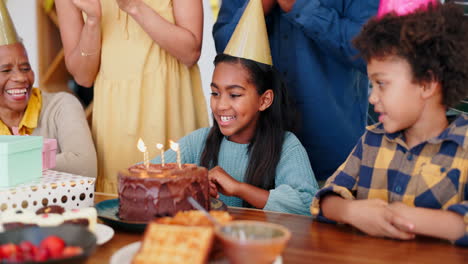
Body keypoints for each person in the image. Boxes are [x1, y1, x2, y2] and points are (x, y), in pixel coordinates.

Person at [310, 1, 468, 246]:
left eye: (381, 83)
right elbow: (326, 199)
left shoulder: (464, 145)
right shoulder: (372, 139)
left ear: (426, 84)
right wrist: (351, 212)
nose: (372, 97)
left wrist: (397, 216)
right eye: (372, 85)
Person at [151, 0, 318, 215]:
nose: (221, 105)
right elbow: (145, 175)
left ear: (265, 100)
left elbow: (307, 204)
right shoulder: (198, 142)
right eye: (215, 93)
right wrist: (186, 183)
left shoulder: (286, 146)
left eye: (235, 94)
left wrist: (239, 189)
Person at [213, 0, 379, 182]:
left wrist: (300, 6)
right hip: (248, 161)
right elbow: (224, 49)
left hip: (332, 161)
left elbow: (372, 53)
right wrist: (258, 8)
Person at [55, 0, 209, 193]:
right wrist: (93, 22)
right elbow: (83, 76)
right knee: (119, 208)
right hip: (115, 120)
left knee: (178, 205)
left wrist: (133, 6)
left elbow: (190, 52)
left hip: (168, 108)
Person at [0, 2, 96, 177]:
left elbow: (85, 165)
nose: (21, 78)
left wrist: (10, 161)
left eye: (25, 68)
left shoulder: (61, 105)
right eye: (6, 70)